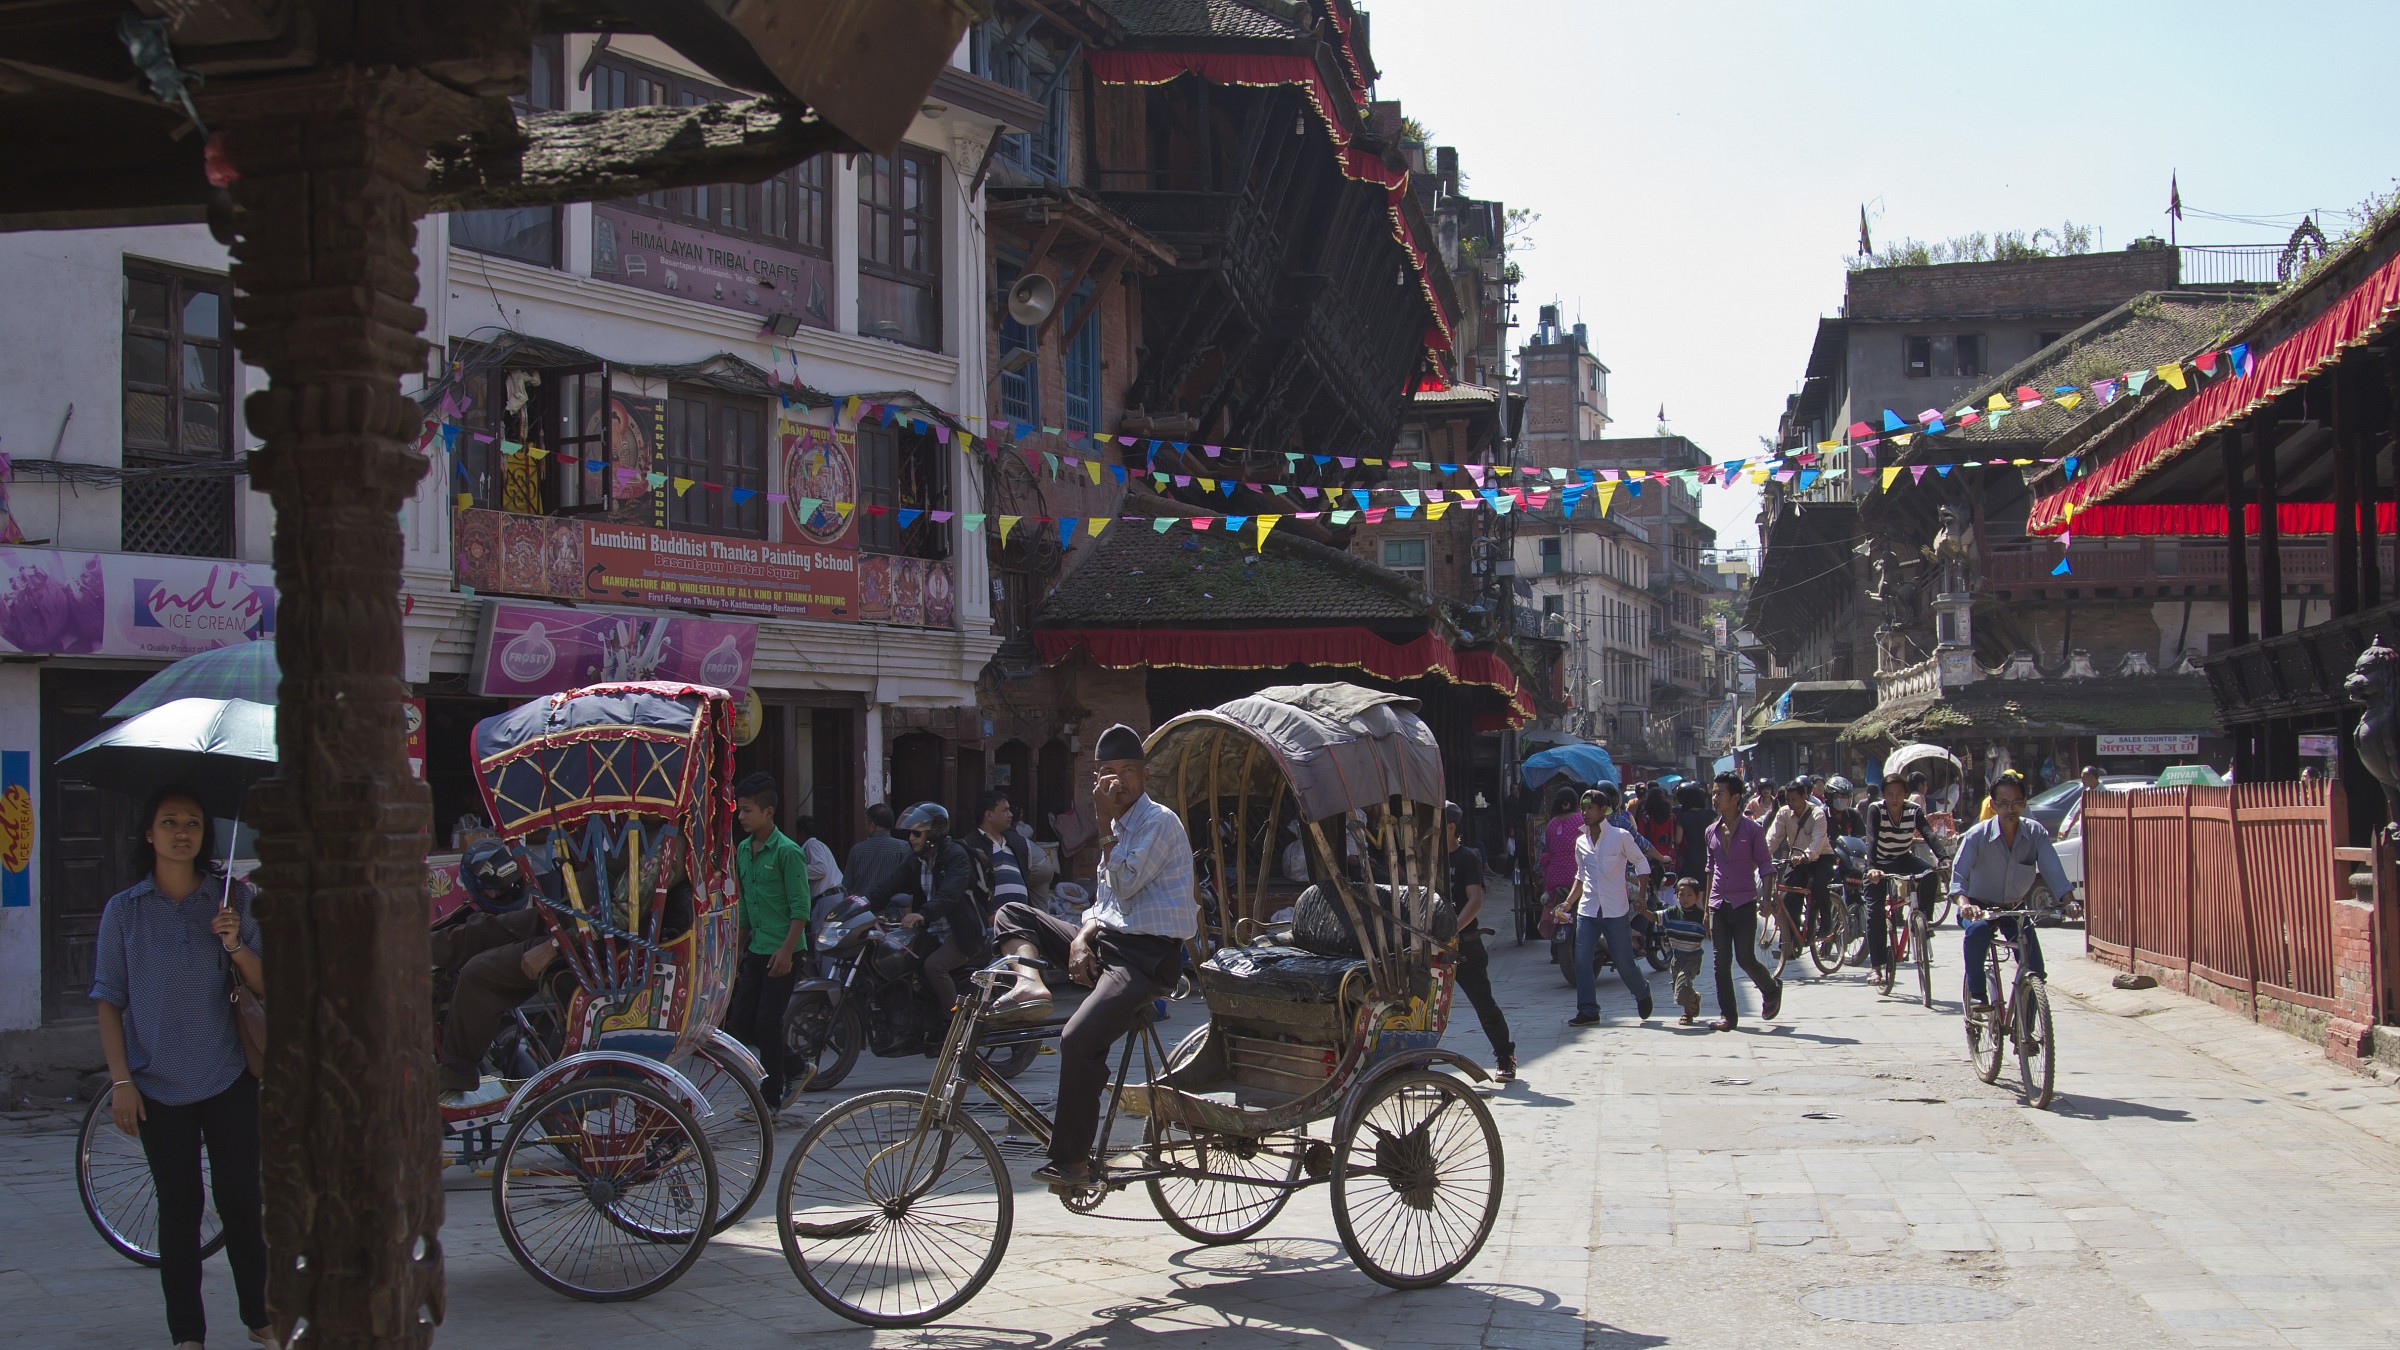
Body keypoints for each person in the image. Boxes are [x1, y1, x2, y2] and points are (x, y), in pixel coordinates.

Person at [90, 786, 273, 1350]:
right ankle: (187, 1335)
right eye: (168, 822)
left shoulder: (233, 899)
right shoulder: (124, 911)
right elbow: (108, 999)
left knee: (242, 1201)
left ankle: (260, 1319)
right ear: (149, 834)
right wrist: (121, 1081)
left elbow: (266, 986)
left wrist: (236, 944)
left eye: (192, 823)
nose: (181, 832)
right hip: (155, 1083)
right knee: (180, 1208)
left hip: (227, 1077)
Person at [988, 723, 1196, 1190]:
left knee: (1077, 1038)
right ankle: (1028, 983)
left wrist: (1102, 826)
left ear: (1144, 776)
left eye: (1126, 772)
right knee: (1013, 912)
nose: (1116, 782)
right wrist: (1082, 935)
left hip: (1147, 957)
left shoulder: (1158, 822)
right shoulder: (1119, 824)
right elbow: (1105, 904)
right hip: (1108, 940)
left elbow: (1124, 883)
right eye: (1106, 773)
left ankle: (1073, 1163)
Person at [725, 772, 812, 1107]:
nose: (741, 816)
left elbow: (800, 908)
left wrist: (787, 951)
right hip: (757, 950)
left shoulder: (788, 852)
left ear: (768, 812)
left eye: (747, 810)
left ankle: (770, 1098)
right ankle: (796, 1067)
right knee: (741, 1023)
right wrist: (735, 954)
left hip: (784, 951)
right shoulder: (744, 851)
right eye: (739, 810)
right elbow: (744, 906)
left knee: (767, 1023)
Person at [1952, 772, 2070, 1012]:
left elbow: (2054, 871)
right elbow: (1958, 878)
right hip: (1978, 907)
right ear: (1993, 805)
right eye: (2003, 804)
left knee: (2034, 967)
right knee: (1978, 932)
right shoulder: (1977, 835)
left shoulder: (2036, 833)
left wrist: (2069, 901)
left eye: (2016, 802)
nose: (2010, 809)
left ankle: (2026, 1035)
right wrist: (1965, 904)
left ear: (2025, 802)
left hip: (2014, 909)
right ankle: (1977, 993)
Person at [1557, 785, 1653, 1026]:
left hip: (1615, 910)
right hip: (1587, 909)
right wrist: (1568, 902)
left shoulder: (1620, 837)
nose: (1586, 813)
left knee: (1623, 961)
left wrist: (1642, 895)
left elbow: (1641, 863)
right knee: (1582, 960)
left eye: (1591, 808)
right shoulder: (1580, 841)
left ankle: (1641, 991)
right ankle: (1588, 1010)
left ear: (1604, 810)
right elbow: (1581, 875)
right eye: (1583, 808)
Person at [892, 801, 984, 1038]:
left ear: (933, 833)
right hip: (931, 932)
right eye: (909, 833)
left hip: (960, 931)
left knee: (934, 966)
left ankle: (957, 1026)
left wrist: (923, 913)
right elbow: (889, 884)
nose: (911, 838)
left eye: (916, 833)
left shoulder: (955, 855)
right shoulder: (916, 860)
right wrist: (862, 902)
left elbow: (950, 894)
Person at [1703, 771, 1784, 1031]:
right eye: (1713, 793)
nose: (1715, 798)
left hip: (1744, 902)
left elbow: (1765, 866)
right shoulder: (1711, 832)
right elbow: (1710, 869)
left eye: (1720, 793)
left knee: (1745, 958)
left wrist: (1768, 899)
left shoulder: (1752, 830)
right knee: (1719, 961)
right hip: (1718, 903)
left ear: (1735, 798)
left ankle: (1770, 988)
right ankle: (1729, 1015)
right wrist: (1706, 908)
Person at [1442, 801, 1516, 1079]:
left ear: (1451, 827)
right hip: (1431, 945)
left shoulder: (1467, 858)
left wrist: (1453, 930)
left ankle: (1505, 1056)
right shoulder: (1427, 859)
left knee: (1483, 1003)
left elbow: (1475, 900)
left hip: (1465, 945)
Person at [1862, 774, 1940, 983]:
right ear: (1883, 795)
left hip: (1903, 858)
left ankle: (1923, 919)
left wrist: (1944, 857)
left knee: (1931, 875)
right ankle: (1876, 967)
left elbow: (1928, 834)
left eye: (1898, 794)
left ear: (1905, 794)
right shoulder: (1876, 810)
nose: (1894, 799)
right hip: (1877, 863)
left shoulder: (1913, 810)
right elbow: (1871, 839)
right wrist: (1871, 868)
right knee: (1875, 911)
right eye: (1890, 795)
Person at [1765, 775, 1832, 940]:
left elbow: (1818, 841)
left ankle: (1826, 924)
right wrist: (1763, 856)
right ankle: (1789, 940)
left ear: (1804, 796)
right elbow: (1773, 837)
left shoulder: (1818, 814)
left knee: (1819, 886)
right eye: (1788, 799)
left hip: (1821, 857)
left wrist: (1807, 856)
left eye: (1794, 799)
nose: (1791, 803)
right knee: (1788, 896)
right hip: (1796, 860)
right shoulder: (1784, 813)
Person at [965, 788, 1033, 916]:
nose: (1011, 815)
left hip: (1021, 918)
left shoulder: (1018, 842)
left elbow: (1026, 874)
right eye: (1004, 810)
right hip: (990, 922)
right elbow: (969, 887)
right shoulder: (970, 845)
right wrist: (987, 913)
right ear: (989, 815)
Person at [842, 801, 913, 906]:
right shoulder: (905, 848)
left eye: (866, 822)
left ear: (872, 826)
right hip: (893, 916)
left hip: (863, 915)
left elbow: (848, 888)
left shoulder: (857, 850)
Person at [1660, 875, 1709, 1025]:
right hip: (1677, 957)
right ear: (1676, 895)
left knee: (1683, 984)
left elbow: (1711, 932)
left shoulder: (1702, 917)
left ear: (1697, 896)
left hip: (1693, 957)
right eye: (1681, 895)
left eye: (1689, 895)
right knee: (1679, 986)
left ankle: (1688, 1014)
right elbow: (1655, 918)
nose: (1685, 898)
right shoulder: (1672, 913)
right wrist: (1643, 910)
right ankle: (1693, 998)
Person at [1537, 787, 1582, 937]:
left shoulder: (1551, 824)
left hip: (1554, 878)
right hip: (1577, 874)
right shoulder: (1580, 820)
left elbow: (1546, 852)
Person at [791, 813, 845, 906]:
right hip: (830, 897)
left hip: (827, 898)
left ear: (802, 833)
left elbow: (821, 869)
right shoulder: (817, 845)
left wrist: (795, 870)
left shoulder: (812, 845)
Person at [1672, 782, 1714, 883]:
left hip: (1690, 855)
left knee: (1692, 886)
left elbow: (1678, 840)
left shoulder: (1683, 817)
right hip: (1709, 854)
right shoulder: (1711, 814)